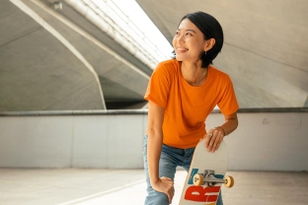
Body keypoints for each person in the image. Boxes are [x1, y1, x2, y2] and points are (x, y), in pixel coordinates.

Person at [143, 11, 239, 205]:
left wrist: (220, 130)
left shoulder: (221, 81)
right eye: (178, 33)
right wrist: (155, 181)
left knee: (208, 203)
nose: (179, 40)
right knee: (159, 198)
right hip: (163, 148)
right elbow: (153, 129)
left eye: (188, 34)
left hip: (198, 149)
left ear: (208, 44)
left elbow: (232, 119)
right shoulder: (164, 72)